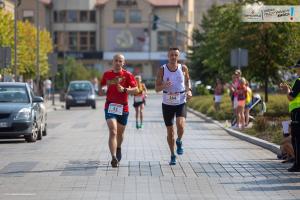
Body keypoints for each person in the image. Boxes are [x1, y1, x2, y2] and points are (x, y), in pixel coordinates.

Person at [155, 47, 192, 165]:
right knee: (170, 131)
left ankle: (179, 141)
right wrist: (164, 85)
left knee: (180, 126)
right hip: (167, 103)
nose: (173, 57)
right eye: (171, 55)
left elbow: (187, 81)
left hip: (181, 100)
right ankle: (172, 154)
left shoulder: (183, 68)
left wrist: (189, 90)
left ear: (178, 56)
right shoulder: (162, 69)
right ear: (168, 56)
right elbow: (156, 89)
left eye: (176, 55)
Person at [99, 54, 138, 168]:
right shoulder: (107, 75)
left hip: (123, 108)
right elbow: (100, 90)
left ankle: (118, 147)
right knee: (113, 131)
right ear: (112, 62)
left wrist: (125, 89)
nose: (118, 63)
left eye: (120, 61)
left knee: (120, 134)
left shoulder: (128, 75)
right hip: (110, 106)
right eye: (116, 60)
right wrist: (102, 89)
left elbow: (136, 90)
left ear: (123, 63)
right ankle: (113, 157)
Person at [280, 59, 300, 172]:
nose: (296, 70)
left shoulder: (299, 80)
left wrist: (287, 90)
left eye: (297, 67)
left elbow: (291, 97)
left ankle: (297, 164)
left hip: (297, 112)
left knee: (296, 139)